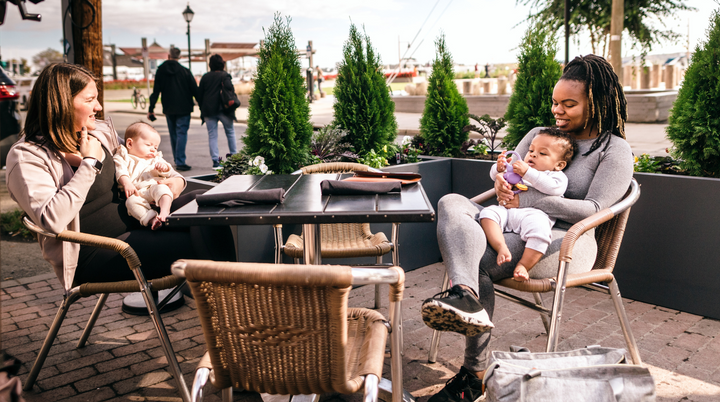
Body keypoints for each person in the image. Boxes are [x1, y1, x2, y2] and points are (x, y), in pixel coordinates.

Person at [421, 54, 634, 402]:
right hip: (511, 223)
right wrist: (504, 185)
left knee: (478, 255)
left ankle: (473, 373)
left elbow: (596, 209)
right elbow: (511, 174)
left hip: (564, 241)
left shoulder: (614, 150)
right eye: (555, 102)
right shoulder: (539, 134)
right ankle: (465, 295)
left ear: (596, 104)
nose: (558, 111)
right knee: (451, 202)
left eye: (569, 104)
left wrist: (536, 202)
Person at [5, 63, 235, 308]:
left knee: (205, 202)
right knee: (198, 241)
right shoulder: (27, 157)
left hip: (140, 217)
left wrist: (176, 180)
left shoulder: (97, 132)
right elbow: (51, 219)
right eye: (90, 99)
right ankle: (233, 313)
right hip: (98, 250)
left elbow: (142, 159)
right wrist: (89, 162)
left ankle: (229, 305)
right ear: (61, 104)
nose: (99, 107)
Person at [480, 128, 577, 282]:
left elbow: (553, 189)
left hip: (535, 214)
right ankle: (500, 246)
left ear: (559, 164)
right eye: (531, 150)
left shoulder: (556, 176)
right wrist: (498, 169)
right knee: (487, 214)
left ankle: (523, 265)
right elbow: (498, 176)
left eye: (542, 153)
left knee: (541, 232)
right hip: (507, 211)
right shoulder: (520, 170)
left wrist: (528, 173)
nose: (532, 154)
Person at [114, 122, 177, 230]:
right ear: (130, 144)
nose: (153, 149)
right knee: (131, 203)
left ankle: (165, 210)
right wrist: (126, 183)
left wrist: (164, 168)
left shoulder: (155, 158)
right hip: (137, 193)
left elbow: (168, 169)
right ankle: (152, 220)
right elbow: (120, 170)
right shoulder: (123, 156)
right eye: (148, 145)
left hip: (153, 186)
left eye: (156, 147)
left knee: (162, 189)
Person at [147, 47, 197, 172]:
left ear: (168, 56)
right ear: (179, 57)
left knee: (174, 134)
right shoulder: (185, 71)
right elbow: (195, 90)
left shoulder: (161, 70)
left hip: (169, 108)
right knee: (181, 133)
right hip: (184, 108)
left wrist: (151, 108)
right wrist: (203, 107)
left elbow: (156, 91)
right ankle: (180, 161)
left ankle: (177, 160)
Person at [197, 54, 237, 168]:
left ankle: (215, 161)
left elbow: (199, 95)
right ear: (222, 64)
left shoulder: (205, 77)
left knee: (212, 136)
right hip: (224, 109)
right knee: (230, 132)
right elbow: (230, 90)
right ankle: (234, 157)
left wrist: (202, 107)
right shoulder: (225, 76)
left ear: (210, 65)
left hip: (209, 110)